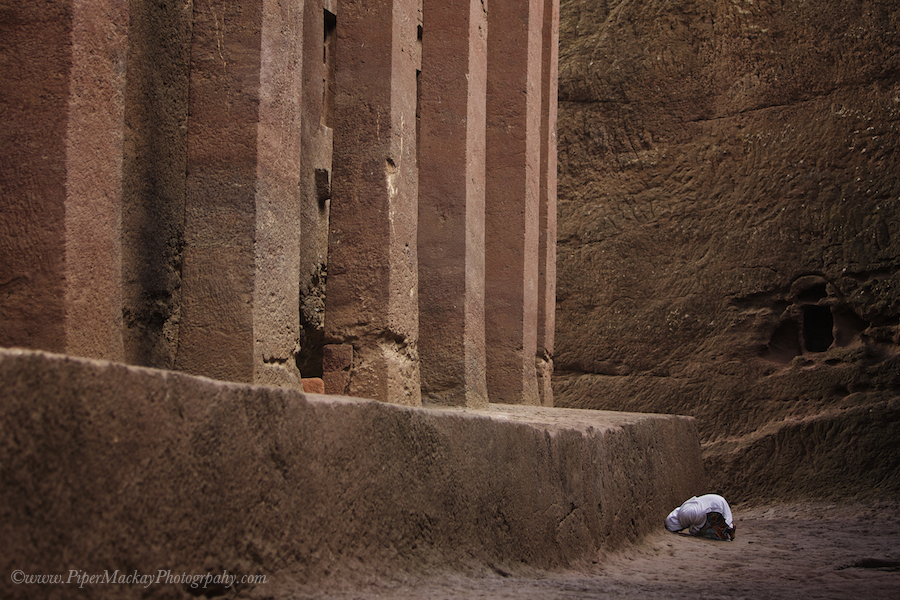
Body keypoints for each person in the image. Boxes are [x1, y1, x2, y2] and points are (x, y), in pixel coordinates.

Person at [665, 494, 736, 541]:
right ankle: (729, 528)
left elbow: (697, 526)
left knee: (706, 533)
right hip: (717, 501)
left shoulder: (685, 516)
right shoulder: (683, 509)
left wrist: (694, 532)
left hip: (715, 507)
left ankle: (727, 531)